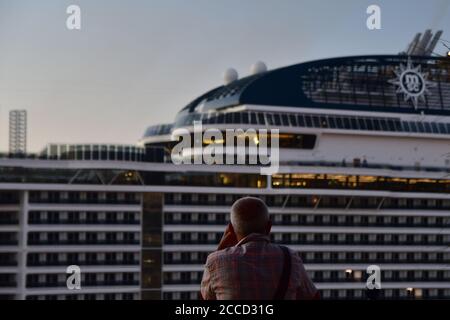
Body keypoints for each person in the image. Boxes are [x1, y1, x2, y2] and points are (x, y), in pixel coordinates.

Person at [200, 197, 319, 300]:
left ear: (230, 229)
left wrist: (221, 249)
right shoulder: (291, 257)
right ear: (269, 227)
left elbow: (205, 298)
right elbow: (313, 296)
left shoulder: (215, 261)